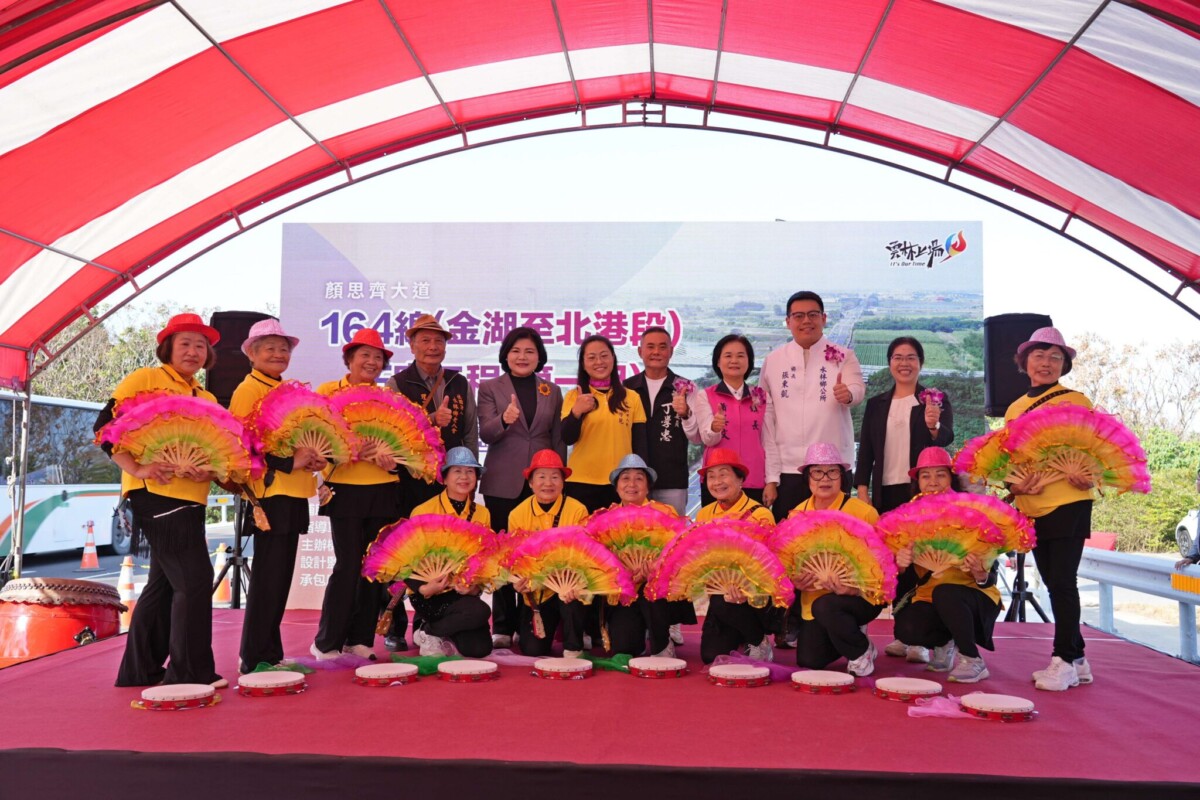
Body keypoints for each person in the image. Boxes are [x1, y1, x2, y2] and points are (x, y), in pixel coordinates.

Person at [98, 313, 226, 688]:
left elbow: (220, 451)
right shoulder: (146, 379)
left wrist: (210, 470)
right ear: (167, 347)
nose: (193, 351)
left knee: (164, 584)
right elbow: (105, 427)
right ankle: (190, 673)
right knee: (195, 580)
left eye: (200, 345)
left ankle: (139, 670)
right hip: (156, 495)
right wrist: (137, 468)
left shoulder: (206, 397)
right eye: (185, 343)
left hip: (192, 499)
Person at [228, 319, 326, 674]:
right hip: (270, 493)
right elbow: (241, 444)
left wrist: (313, 459)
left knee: (280, 578)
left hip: (294, 491)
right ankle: (254, 657)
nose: (278, 354)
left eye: (283, 349)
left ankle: (271, 653)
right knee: (268, 579)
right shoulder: (247, 390)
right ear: (252, 354)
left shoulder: (286, 390)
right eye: (269, 348)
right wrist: (288, 461)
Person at [1004, 327, 1097, 692]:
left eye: (1055, 358)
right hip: (1032, 507)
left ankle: (1064, 660)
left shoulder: (1076, 401)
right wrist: (1014, 486)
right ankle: (1079, 659)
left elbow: (1097, 449)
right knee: (1053, 580)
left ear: (1064, 365)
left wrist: (1089, 474)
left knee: (1062, 582)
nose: (1046, 363)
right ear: (1025, 362)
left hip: (1069, 502)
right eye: (1039, 356)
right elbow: (1008, 461)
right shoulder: (1014, 409)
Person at [385, 313, 478, 650]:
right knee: (407, 553)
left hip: (450, 482)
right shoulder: (397, 383)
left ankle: (433, 623)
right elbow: (393, 432)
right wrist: (429, 418)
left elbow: (469, 432)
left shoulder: (459, 382)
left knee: (445, 553)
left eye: (439, 340)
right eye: (425, 340)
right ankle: (395, 625)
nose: (433, 346)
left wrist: (471, 476)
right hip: (410, 483)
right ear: (411, 345)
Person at [310, 327, 400, 662]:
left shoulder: (389, 398)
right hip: (345, 490)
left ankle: (361, 639)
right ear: (349, 358)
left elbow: (405, 443)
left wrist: (393, 461)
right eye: (365, 355)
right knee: (347, 566)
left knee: (373, 568)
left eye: (378, 357)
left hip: (383, 489)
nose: (372, 362)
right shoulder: (328, 392)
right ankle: (327, 642)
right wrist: (348, 449)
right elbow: (317, 440)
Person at [477, 327, 564, 647]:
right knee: (504, 554)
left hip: (543, 483)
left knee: (539, 554)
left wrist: (559, 478)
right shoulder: (489, 387)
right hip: (503, 480)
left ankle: (533, 620)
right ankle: (502, 625)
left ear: (539, 356)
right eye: (516, 351)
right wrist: (504, 418)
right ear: (506, 355)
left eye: (529, 351)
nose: (522, 357)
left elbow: (557, 438)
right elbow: (486, 433)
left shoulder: (552, 390)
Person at [891, 447, 1001, 684]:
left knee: (946, 592)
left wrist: (980, 572)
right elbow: (898, 575)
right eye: (926, 476)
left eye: (940, 475)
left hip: (974, 596)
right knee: (906, 630)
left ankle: (972, 659)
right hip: (928, 596)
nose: (933, 482)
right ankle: (944, 642)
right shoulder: (910, 517)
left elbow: (991, 575)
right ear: (918, 482)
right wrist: (901, 564)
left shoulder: (972, 511)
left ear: (952, 478)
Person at [760, 291, 865, 520]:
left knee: (836, 533)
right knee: (788, 533)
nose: (806, 321)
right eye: (798, 316)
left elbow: (857, 388)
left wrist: (848, 394)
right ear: (788, 321)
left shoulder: (844, 356)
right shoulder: (773, 360)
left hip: (832, 469)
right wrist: (771, 477)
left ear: (824, 318)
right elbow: (766, 419)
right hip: (788, 468)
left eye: (813, 315)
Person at [786, 443, 882, 676]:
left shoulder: (863, 512)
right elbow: (788, 561)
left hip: (861, 597)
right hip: (814, 599)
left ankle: (861, 650)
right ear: (808, 478)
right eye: (817, 472)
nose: (825, 478)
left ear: (842, 476)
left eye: (832, 472)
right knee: (809, 660)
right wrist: (795, 581)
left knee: (827, 606)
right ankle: (850, 634)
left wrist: (854, 588)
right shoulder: (796, 515)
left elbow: (882, 564)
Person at [406, 447, 493, 658]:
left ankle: (432, 630)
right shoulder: (423, 511)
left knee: (480, 649)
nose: (464, 477)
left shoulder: (482, 513)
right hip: (429, 592)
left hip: (461, 593)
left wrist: (473, 587)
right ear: (444, 478)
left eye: (470, 471)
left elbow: (484, 558)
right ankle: (427, 630)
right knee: (481, 611)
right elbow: (405, 559)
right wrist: (424, 588)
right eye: (457, 471)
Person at [693, 448, 777, 664]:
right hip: (721, 596)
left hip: (755, 598)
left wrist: (747, 589)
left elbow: (770, 565)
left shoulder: (760, 515)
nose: (717, 482)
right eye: (711, 476)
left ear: (740, 479)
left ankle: (758, 640)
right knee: (710, 656)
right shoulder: (704, 514)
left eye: (724, 474)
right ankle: (741, 634)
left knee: (724, 602)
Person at [855, 336, 955, 513]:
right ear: (890, 363)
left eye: (911, 358)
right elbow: (866, 450)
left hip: (921, 489)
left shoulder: (935, 399)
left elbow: (945, 439)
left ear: (920, 363)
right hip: (883, 491)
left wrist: (933, 425)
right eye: (898, 358)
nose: (904, 363)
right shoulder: (875, 404)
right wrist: (862, 489)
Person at [506, 450, 590, 657]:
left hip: (569, 586)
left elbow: (584, 555)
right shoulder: (517, 514)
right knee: (532, 650)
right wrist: (517, 581)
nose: (548, 483)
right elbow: (516, 559)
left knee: (574, 596)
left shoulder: (577, 510)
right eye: (541, 477)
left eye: (554, 477)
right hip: (537, 592)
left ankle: (574, 645)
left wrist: (573, 581)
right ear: (531, 483)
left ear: (563, 482)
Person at [600, 454, 678, 658]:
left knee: (652, 586)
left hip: (656, 587)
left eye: (639, 478)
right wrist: (622, 573)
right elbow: (598, 558)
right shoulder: (605, 518)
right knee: (624, 648)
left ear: (648, 487)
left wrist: (653, 568)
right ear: (617, 487)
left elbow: (677, 552)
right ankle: (637, 633)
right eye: (625, 478)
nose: (632, 484)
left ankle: (662, 643)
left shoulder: (665, 512)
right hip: (623, 589)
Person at [561, 334, 648, 512]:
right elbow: (567, 438)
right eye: (591, 357)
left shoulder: (631, 397)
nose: (599, 362)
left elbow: (640, 445)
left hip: (620, 482)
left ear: (613, 359)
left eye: (604, 356)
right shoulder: (573, 396)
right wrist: (576, 411)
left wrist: (640, 481)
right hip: (581, 481)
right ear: (583, 364)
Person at [682, 334, 767, 506]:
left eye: (740, 356)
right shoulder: (705, 395)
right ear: (718, 362)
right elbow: (707, 439)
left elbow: (769, 441)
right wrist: (715, 428)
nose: (734, 361)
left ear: (749, 361)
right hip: (717, 482)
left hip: (754, 478)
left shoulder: (760, 396)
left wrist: (772, 481)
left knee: (754, 523)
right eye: (728, 356)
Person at [624, 326, 691, 515]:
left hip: (672, 481)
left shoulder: (685, 387)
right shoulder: (626, 388)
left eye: (662, 347)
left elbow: (696, 435)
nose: (656, 352)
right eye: (650, 347)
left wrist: (686, 413)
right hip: (633, 482)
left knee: (673, 531)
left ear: (671, 351)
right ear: (640, 351)